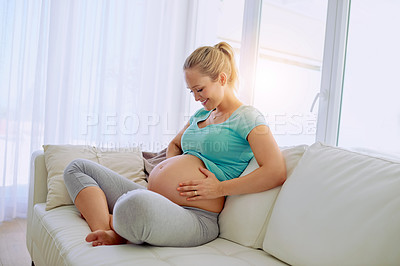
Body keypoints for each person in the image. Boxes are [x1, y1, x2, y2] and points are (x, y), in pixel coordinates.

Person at [63, 42, 286, 248]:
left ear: (222, 79)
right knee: (77, 167)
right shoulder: (201, 114)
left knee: (134, 205)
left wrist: (220, 188)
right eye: (192, 91)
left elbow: (275, 171)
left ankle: (114, 221)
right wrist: (169, 167)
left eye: (200, 89)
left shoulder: (247, 117)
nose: (196, 97)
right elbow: (175, 144)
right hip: (156, 197)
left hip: (196, 215)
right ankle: (104, 228)